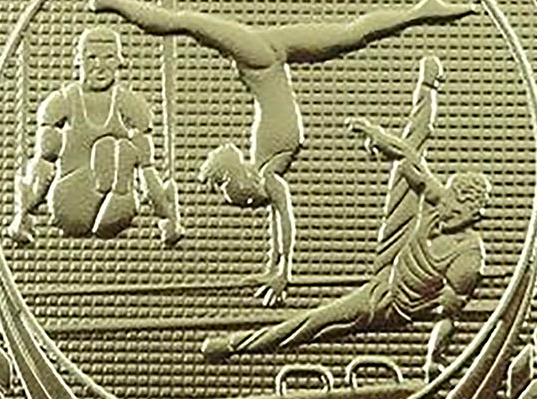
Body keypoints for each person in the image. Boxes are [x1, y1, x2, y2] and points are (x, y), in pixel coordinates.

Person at [79, 0, 473, 305]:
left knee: (181, 22)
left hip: (262, 58)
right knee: (350, 35)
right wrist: (278, 267)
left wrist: (281, 269)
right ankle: (420, 11)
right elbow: (281, 221)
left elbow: (281, 223)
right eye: (228, 191)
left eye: (226, 188)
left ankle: (109, 1)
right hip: (269, 56)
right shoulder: (270, 174)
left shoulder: (267, 174)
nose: (235, 196)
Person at [200, 112, 490, 379]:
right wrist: (376, 134)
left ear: (473, 216)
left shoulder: (468, 257)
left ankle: (233, 345)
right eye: (448, 203)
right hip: (387, 276)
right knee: (314, 321)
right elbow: (408, 156)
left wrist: (433, 360)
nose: (447, 212)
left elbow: (447, 316)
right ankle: (234, 344)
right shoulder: (441, 201)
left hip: (393, 308)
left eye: (457, 213)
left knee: (314, 324)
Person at [8, 26, 181, 244]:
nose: (100, 66)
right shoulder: (61, 104)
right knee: (114, 149)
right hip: (70, 202)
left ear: (119, 61)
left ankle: (115, 187)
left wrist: (168, 216)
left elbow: (147, 168)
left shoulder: (131, 106)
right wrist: (23, 214)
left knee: (122, 151)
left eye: (108, 57)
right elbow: (44, 162)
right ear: (79, 60)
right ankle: (112, 180)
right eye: (92, 58)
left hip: (115, 210)